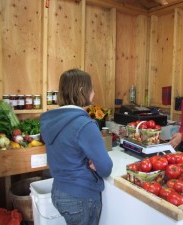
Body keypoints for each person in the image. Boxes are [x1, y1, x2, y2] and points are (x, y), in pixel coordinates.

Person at [40, 68, 113, 225]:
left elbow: (67, 150)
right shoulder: (85, 124)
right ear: (82, 90)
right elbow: (106, 167)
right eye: (91, 88)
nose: (93, 92)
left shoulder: (51, 120)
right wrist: (96, 164)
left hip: (59, 191)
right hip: (80, 197)